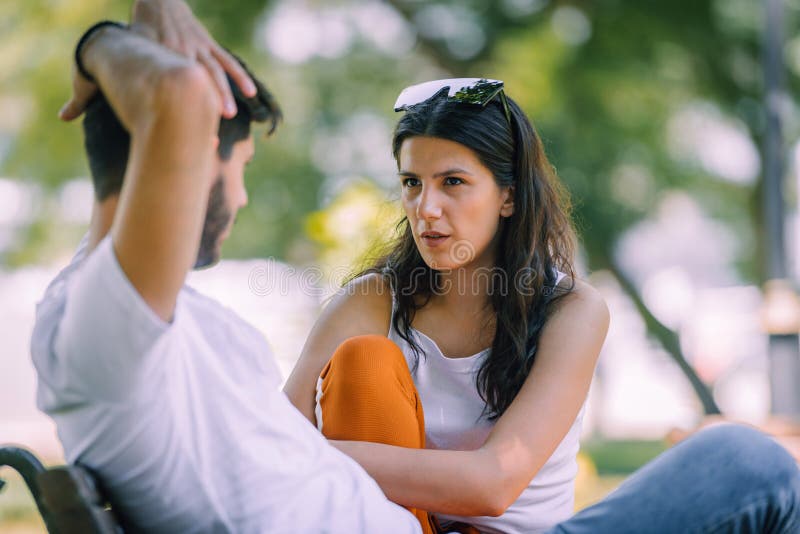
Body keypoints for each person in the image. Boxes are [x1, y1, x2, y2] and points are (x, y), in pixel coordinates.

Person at [284, 79, 800, 533]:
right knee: (362, 362)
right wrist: (286, 453)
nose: (427, 208)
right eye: (411, 183)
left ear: (507, 195)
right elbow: (267, 445)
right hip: (401, 529)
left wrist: (311, 455)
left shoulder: (570, 309)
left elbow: (493, 484)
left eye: (453, 182)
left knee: (747, 460)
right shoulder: (372, 300)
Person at [30, 1, 422, 532]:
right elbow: (180, 94)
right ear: (202, 153)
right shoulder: (103, 324)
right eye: (241, 170)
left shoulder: (104, 304)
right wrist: (95, 45)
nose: (239, 199)